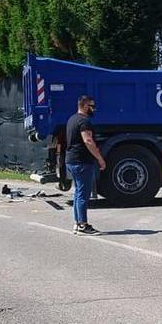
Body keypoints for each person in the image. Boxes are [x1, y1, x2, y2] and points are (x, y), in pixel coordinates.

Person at [65, 95, 105, 234]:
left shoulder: (72, 119)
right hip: (81, 161)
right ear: (86, 106)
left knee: (78, 193)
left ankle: (77, 223)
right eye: (92, 106)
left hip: (71, 160)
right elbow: (88, 141)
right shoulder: (84, 121)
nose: (94, 109)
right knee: (83, 194)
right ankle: (83, 225)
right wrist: (100, 158)